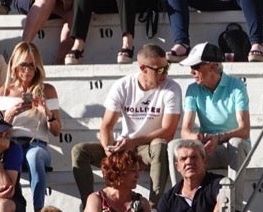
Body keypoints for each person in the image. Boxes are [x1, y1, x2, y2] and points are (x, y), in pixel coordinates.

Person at [70, 45, 181, 204]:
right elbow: (106, 126)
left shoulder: (172, 88)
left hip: (147, 150)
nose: (165, 74)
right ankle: (89, 204)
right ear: (143, 68)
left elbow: (168, 132)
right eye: (159, 70)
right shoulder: (123, 85)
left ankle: (154, 205)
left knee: (160, 145)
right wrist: (109, 149)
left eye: (166, 67)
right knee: (79, 151)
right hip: (124, 147)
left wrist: (133, 142)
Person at [0, 42, 61, 211]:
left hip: (38, 144)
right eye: (23, 64)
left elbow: (56, 131)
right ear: (15, 65)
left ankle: (39, 209)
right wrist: (9, 115)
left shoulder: (47, 90)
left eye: (32, 65)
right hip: (12, 143)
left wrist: (47, 112)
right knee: (12, 155)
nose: (28, 70)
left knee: (34, 156)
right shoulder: (3, 92)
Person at [178, 43, 251, 187]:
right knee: (175, 146)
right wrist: (197, 138)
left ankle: (234, 206)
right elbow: (185, 131)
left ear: (212, 66)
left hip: (231, 149)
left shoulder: (237, 86)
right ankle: (181, 201)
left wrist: (219, 138)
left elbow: (244, 130)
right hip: (206, 147)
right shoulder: (192, 89)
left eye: (196, 67)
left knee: (235, 143)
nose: (191, 71)